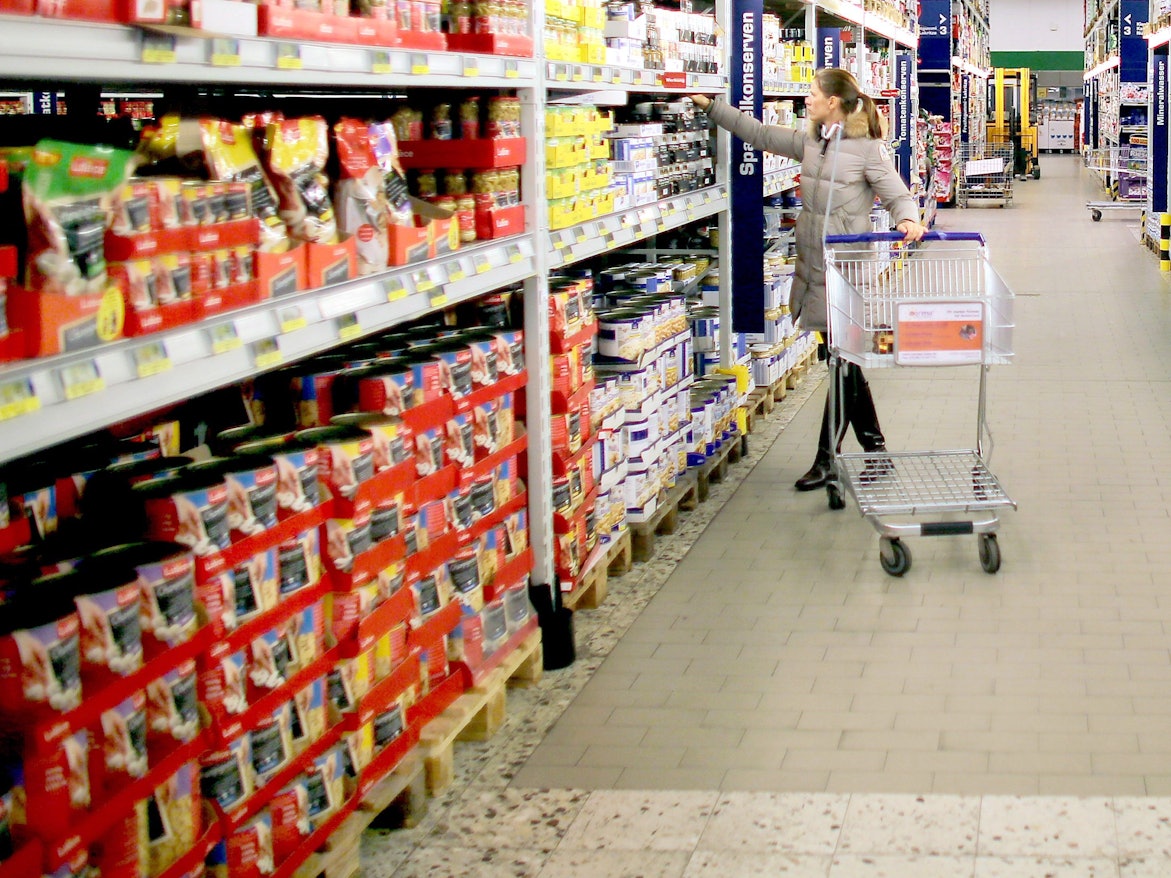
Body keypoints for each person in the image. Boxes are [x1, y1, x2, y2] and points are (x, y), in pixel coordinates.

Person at [692, 68, 928, 491]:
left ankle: (827, 459)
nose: (808, 99)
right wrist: (711, 107)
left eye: (813, 93)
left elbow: (896, 193)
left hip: (846, 270)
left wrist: (908, 219)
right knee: (844, 362)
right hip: (813, 266)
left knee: (842, 362)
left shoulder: (867, 149)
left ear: (833, 102)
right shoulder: (812, 141)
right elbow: (759, 133)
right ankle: (874, 453)